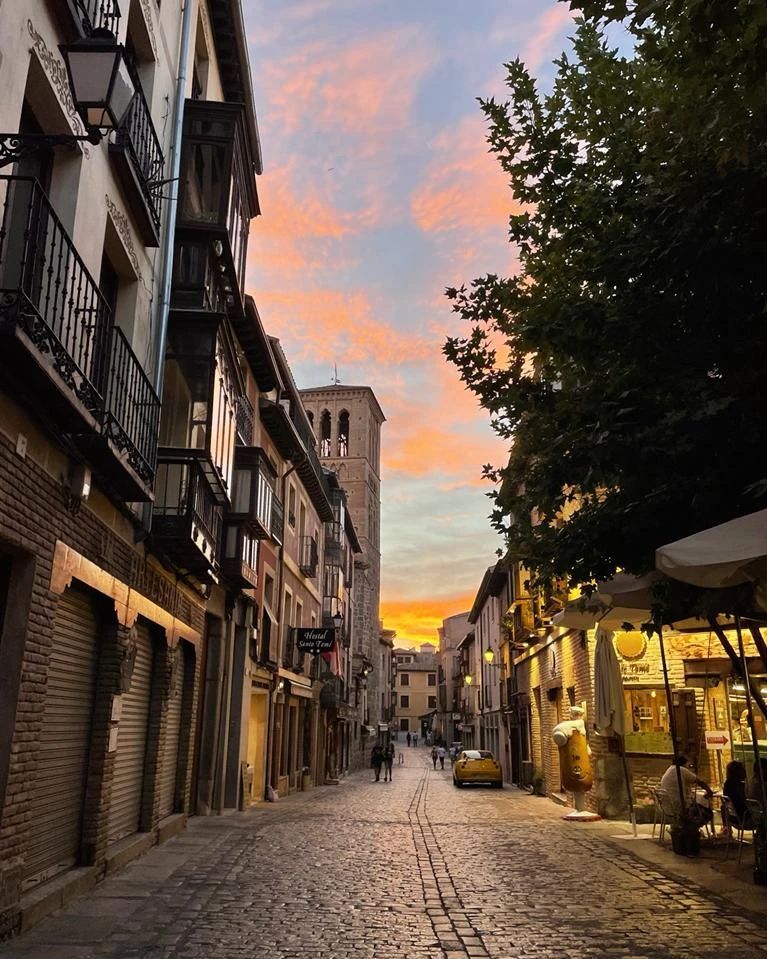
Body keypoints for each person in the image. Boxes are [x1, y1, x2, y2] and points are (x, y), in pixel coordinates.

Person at [660, 755, 712, 824]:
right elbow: (699, 782)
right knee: (708, 813)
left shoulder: (669, 770)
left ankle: (687, 826)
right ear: (684, 763)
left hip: (668, 807)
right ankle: (691, 828)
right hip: (680, 806)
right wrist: (709, 791)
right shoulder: (680, 770)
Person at [722, 760, 747, 833]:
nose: (745, 772)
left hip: (732, 818)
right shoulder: (738, 787)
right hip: (743, 819)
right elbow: (743, 802)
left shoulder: (727, 784)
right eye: (743, 769)